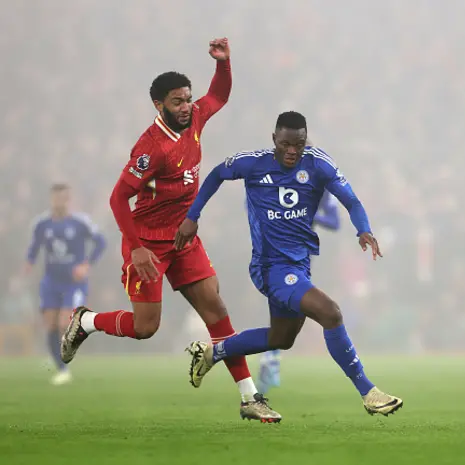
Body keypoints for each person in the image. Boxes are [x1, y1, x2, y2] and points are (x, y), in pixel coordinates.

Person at [60, 38, 280, 422]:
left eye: (187, 99)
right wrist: (137, 247)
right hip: (147, 243)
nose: (186, 106)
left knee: (216, 309)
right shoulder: (151, 149)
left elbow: (219, 96)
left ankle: (250, 398)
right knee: (146, 328)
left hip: (184, 238)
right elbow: (118, 199)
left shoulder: (194, 118)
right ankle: (87, 321)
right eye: (177, 101)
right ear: (159, 105)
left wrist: (224, 64)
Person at [176, 111, 403, 416]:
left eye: (298, 144)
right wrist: (192, 216)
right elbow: (217, 174)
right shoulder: (253, 163)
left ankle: (211, 353)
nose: (292, 151)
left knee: (280, 339)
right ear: (274, 140)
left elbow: (352, 201)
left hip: (298, 266)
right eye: (285, 144)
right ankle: (369, 392)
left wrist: (363, 229)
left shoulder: (318, 163)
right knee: (331, 313)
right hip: (270, 267)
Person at [257, 188, 340, 394]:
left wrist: (311, 214)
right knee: (290, 305)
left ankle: (271, 358)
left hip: (302, 257)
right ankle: (270, 358)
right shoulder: (280, 182)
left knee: (294, 309)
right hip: (278, 255)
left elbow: (335, 222)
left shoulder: (324, 191)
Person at [24, 183, 106, 385]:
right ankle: (62, 368)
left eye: (63, 198)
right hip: (51, 280)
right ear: (51, 199)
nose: (59, 201)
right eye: (56, 198)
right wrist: (29, 263)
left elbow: (101, 242)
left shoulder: (80, 222)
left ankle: (63, 362)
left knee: (64, 323)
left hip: (73, 282)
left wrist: (86, 265)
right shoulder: (42, 224)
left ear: (69, 200)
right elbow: (35, 246)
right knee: (50, 324)